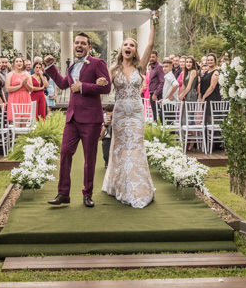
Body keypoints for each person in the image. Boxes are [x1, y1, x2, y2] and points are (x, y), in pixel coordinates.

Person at [44, 33, 112, 207]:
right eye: (76, 43)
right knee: (65, 153)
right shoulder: (72, 66)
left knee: (89, 159)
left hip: (90, 119)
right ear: (74, 45)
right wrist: (50, 66)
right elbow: (63, 84)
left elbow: (106, 88)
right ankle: (63, 194)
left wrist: (83, 87)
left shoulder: (98, 63)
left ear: (89, 47)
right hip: (72, 119)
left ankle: (87, 194)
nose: (79, 45)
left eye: (83, 43)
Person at [102, 21, 159, 209]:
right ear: (121, 49)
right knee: (120, 149)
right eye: (125, 44)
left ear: (135, 51)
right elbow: (102, 88)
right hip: (119, 114)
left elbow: (150, 44)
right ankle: (118, 184)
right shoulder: (113, 69)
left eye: (132, 45)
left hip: (135, 113)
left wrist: (154, 22)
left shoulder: (140, 67)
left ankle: (137, 188)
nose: (128, 47)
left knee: (135, 149)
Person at [6, 55, 34, 125]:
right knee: (17, 124)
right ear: (14, 64)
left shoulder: (27, 75)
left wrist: (26, 84)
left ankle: (23, 136)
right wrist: (20, 85)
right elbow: (7, 88)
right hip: (14, 98)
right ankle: (16, 136)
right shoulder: (10, 74)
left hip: (25, 98)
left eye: (20, 61)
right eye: (17, 61)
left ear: (23, 63)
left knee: (24, 123)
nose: (19, 63)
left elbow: (31, 89)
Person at [146, 49, 164, 121]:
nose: (151, 59)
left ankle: (158, 130)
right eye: (150, 57)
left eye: (153, 57)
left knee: (158, 116)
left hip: (157, 95)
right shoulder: (152, 67)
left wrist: (155, 94)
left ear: (157, 57)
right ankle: (155, 130)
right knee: (154, 114)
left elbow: (162, 81)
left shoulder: (159, 67)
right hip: (152, 93)